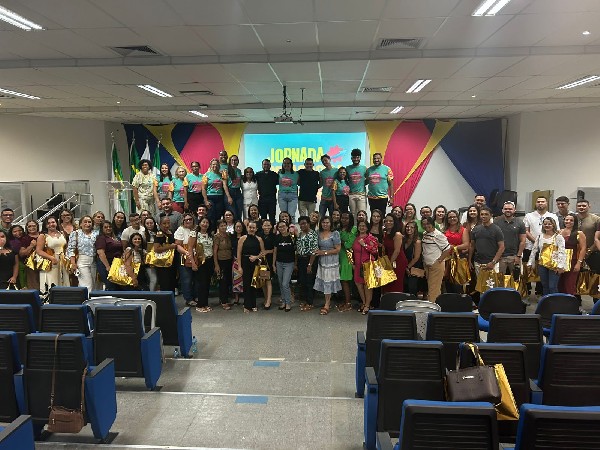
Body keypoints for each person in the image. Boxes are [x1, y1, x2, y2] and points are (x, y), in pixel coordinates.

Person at [524, 196, 559, 295]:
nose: (540, 203)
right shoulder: (529, 216)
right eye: (538, 201)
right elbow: (526, 231)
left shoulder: (553, 216)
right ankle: (528, 293)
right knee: (530, 271)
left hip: (549, 250)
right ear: (535, 204)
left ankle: (541, 293)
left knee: (544, 274)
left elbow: (557, 231)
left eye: (543, 201)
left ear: (546, 203)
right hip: (531, 247)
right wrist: (538, 241)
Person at [528, 217, 566, 295]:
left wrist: (560, 265)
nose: (547, 225)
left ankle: (554, 301)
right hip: (542, 264)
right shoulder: (540, 236)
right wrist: (530, 262)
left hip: (554, 265)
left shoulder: (558, 237)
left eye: (549, 224)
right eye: (545, 224)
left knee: (552, 286)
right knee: (545, 285)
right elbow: (534, 250)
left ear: (553, 225)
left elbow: (562, 251)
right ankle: (546, 300)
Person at [236, 221, 266, 313]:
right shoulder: (242, 238)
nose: (251, 229)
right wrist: (239, 267)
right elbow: (239, 253)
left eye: (253, 228)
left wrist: (256, 257)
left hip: (256, 263)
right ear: (247, 228)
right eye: (250, 227)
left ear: (256, 229)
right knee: (246, 284)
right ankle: (246, 305)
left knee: (254, 284)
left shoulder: (259, 239)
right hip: (245, 263)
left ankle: (253, 304)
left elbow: (263, 252)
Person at [421, 217, 452, 302]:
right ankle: (434, 304)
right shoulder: (425, 234)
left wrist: (440, 260)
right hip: (427, 264)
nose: (426, 226)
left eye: (428, 223)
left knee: (434, 288)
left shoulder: (438, 235)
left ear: (432, 224)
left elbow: (447, 248)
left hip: (436, 264)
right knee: (431, 287)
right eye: (424, 224)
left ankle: (433, 306)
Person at [469, 206, 505, 277]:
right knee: (480, 283)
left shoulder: (496, 229)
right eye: (482, 214)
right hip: (478, 262)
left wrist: (493, 262)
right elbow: (472, 246)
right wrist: (469, 260)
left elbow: (502, 247)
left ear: (491, 215)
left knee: (492, 283)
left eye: (486, 214)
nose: (483, 216)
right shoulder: (475, 229)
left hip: (492, 263)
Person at [35, 216, 69, 293]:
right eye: (48, 223)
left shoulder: (62, 233)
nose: (51, 224)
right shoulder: (43, 236)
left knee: (63, 281)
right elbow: (39, 251)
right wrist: (51, 258)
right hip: (50, 262)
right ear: (45, 225)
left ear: (56, 223)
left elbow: (66, 247)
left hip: (62, 261)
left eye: (53, 222)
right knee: (52, 281)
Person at [352, 220, 379, 314]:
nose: (362, 227)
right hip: (357, 265)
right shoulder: (356, 238)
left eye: (364, 226)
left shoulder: (371, 238)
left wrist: (364, 245)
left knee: (367, 285)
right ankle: (364, 303)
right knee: (358, 284)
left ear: (367, 228)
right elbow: (353, 252)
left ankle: (367, 305)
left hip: (368, 265)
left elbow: (375, 250)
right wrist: (353, 263)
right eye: (360, 225)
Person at [493, 201, 526, 277]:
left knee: (516, 280)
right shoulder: (496, 221)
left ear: (514, 210)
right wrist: (496, 256)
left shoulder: (520, 222)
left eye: (510, 209)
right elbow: (493, 239)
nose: (508, 210)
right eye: (506, 209)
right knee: (499, 280)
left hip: (514, 256)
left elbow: (523, 241)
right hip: (500, 257)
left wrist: (518, 256)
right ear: (502, 210)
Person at [189, 217, 214, 313]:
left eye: (207, 222)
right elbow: (190, 249)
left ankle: (205, 303)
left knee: (207, 283)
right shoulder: (194, 234)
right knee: (201, 283)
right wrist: (193, 263)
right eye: (203, 222)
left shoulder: (210, 235)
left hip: (209, 260)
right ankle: (200, 305)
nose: (205, 224)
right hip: (199, 261)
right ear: (199, 223)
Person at [67, 215, 98, 292]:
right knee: (86, 284)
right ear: (80, 224)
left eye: (89, 222)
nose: (87, 224)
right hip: (82, 261)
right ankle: (86, 299)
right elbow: (71, 249)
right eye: (85, 222)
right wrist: (73, 263)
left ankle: (89, 298)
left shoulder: (96, 234)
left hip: (94, 261)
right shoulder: (75, 233)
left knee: (94, 284)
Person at [442, 209, 470, 293]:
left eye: (454, 217)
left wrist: (453, 247)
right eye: (450, 217)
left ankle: (458, 299)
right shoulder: (444, 230)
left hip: (458, 259)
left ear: (458, 218)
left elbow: (466, 244)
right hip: (446, 259)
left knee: (457, 284)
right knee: (447, 282)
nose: (452, 219)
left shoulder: (463, 230)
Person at [558, 213, 586, 295]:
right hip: (560, 262)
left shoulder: (579, 233)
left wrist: (579, 263)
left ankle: (570, 302)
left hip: (572, 262)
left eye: (571, 220)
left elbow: (583, 249)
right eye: (567, 220)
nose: (568, 221)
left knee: (569, 284)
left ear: (575, 222)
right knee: (560, 284)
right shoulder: (559, 232)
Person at [175, 213, 198, 307]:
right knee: (187, 279)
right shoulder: (180, 230)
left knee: (196, 278)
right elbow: (178, 245)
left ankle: (196, 296)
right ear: (183, 221)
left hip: (197, 255)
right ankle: (188, 299)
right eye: (186, 220)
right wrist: (186, 253)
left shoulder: (197, 228)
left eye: (190, 219)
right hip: (184, 256)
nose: (188, 221)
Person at [296, 216, 318, 312]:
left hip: (310, 260)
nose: (302, 225)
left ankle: (310, 303)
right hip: (301, 259)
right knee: (303, 281)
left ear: (308, 223)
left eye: (304, 223)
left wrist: (310, 265)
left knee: (310, 281)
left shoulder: (313, 234)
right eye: (300, 224)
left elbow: (314, 251)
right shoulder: (300, 234)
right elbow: (297, 249)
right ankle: (306, 300)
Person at [273, 221, 296, 312]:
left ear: (287, 227)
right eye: (280, 227)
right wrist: (273, 264)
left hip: (289, 263)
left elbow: (295, 251)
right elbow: (275, 251)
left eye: (283, 226)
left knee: (285, 284)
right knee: (280, 283)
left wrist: (295, 264)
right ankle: (283, 302)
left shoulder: (292, 237)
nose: (282, 228)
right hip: (279, 263)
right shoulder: (277, 237)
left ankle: (288, 302)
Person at [202, 158, 231, 230]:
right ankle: (210, 231)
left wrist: (229, 197)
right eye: (213, 164)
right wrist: (206, 201)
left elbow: (225, 186)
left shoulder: (222, 174)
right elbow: (203, 189)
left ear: (219, 166)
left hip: (219, 198)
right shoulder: (206, 175)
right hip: (210, 197)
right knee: (211, 216)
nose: (215, 166)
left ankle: (216, 232)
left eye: (216, 164)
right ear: (210, 165)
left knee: (218, 216)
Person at [382, 214, 408, 293]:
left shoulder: (397, 234)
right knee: (387, 282)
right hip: (389, 258)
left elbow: (397, 251)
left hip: (398, 260)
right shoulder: (385, 233)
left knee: (396, 283)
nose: (388, 222)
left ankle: (397, 299)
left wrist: (389, 264)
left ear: (394, 222)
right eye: (386, 221)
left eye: (390, 221)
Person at [95, 220, 123, 291]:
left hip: (116, 263)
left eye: (110, 227)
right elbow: (101, 253)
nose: (108, 228)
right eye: (105, 227)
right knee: (110, 285)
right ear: (102, 229)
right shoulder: (101, 238)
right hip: (106, 263)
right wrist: (107, 267)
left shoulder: (116, 238)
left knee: (118, 285)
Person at [153, 215, 177, 293]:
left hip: (171, 262)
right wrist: (170, 246)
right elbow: (156, 249)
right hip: (163, 264)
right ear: (160, 224)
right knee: (165, 284)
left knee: (172, 283)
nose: (167, 225)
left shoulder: (170, 232)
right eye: (164, 223)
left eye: (168, 223)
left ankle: (172, 299)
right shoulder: (159, 234)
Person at [337, 212, 356, 311]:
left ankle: (348, 303)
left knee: (345, 281)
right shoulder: (339, 229)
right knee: (342, 281)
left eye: (346, 218)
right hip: (338, 256)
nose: (344, 220)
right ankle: (345, 301)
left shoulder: (353, 229)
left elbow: (349, 245)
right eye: (342, 218)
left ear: (350, 219)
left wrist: (340, 242)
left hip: (347, 257)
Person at [213, 219, 234, 310]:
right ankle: (223, 301)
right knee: (223, 282)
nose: (223, 227)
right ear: (218, 227)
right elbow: (214, 251)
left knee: (228, 281)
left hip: (229, 260)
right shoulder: (217, 237)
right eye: (221, 226)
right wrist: (216, 265)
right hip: (221, 261)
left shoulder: (229, 235)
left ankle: (226, 298)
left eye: (224, 225)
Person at [576, 199, 600, 271]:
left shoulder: (596, 219)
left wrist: (589, 250)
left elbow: (598, 238)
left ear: (589, 206)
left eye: (584, 206)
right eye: (579, 206)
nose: (581, 207)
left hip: (592, 252)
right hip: (575, 253)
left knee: (594, 274)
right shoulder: (572, 218)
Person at [255, 159, 279, 225]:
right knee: (263, 217)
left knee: (272, 217)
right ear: (262, 165)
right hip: (262, 199)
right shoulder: (257, 175)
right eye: (264, 164)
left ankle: (272, 230)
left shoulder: (274, 174)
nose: (266, 166)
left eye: (268, 164)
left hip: (272, 199)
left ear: (270, 165)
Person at [346, 148, 368, 219]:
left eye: (357, 157)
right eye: (354, 157)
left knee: (362, 214)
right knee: (353, 215)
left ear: (360, 158)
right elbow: (345, 180)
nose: (356, 159)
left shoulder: (364, 168)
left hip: (361, 195)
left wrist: (362, 184)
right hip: (351, 195)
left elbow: (368, 179)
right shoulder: (347, 168)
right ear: (351, 158)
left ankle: (363, 226)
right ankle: (354, 226)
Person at [258, 219, 275, 309]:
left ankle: (269, 300)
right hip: (261, 260)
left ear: (271, 226)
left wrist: (267, 251)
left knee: (268, 280)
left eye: (268, 225)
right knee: (263, 281)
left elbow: (276, 250)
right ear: (262, 226)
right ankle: (266, 298)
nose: (267, 227)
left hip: (270, 260)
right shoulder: (259, 235)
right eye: (265, 225)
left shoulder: (274, 236)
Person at [403, 221, 423, 297]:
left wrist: (407, 267)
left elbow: (416, 257)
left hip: (413, 267)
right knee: (404, 288)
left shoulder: (417, 242)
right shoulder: (403, 239)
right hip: (404, 266)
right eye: (407, 227)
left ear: (415, 229)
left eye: (412, 227)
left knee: (412, 288)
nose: (409, 228)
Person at [277, 157, 299, 222]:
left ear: (291, 164)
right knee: (283, 215)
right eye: (285, 163)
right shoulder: (279, 173)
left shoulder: (296, 174)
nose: (286, 165)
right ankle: (283, 227)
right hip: (282, 195)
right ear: (282, 164)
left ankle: (292, 228)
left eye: (288, 163)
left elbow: (299, 183)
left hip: (293, 195)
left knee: (291, 215)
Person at [22, 220, 40, 290]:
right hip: (31, 265)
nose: (32, 228)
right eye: (29, 226)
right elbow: (22, 253)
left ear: (37, 226)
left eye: (34, 226)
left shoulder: (43, 235)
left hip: (45, 263)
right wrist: (31, 246)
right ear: (26, 228)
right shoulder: (24, 238)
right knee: (33, 285)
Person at [231, 220, 246, 305]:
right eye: (237, 226)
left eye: (240, 226)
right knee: (236, 279)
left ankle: (245, 298)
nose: (238, 228)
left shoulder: (245, 237)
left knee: (245, 279)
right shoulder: (232, 237)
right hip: (235, 260)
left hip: (244, 260)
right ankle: (236, 298)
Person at [225, 154, 243, 221]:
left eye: (235, 160)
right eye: (232, 160)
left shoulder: (239, 171)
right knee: (232, 213)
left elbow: (240, 183)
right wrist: (228, 197)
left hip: (238, 192)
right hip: (230, 192)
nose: (233, 162)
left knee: (239, 212)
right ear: (230, 161)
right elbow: (224, 185)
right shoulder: (226, 171)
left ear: (238, 161)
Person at [143, 217, 158, 291]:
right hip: (148, 260)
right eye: (147, 223)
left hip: (158, 258)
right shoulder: (143, 234)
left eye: (151, 223)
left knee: (158, 280)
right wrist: (145, 252)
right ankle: (151, 295)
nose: (149, 225)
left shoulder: (158, 233)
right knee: (153, 279)